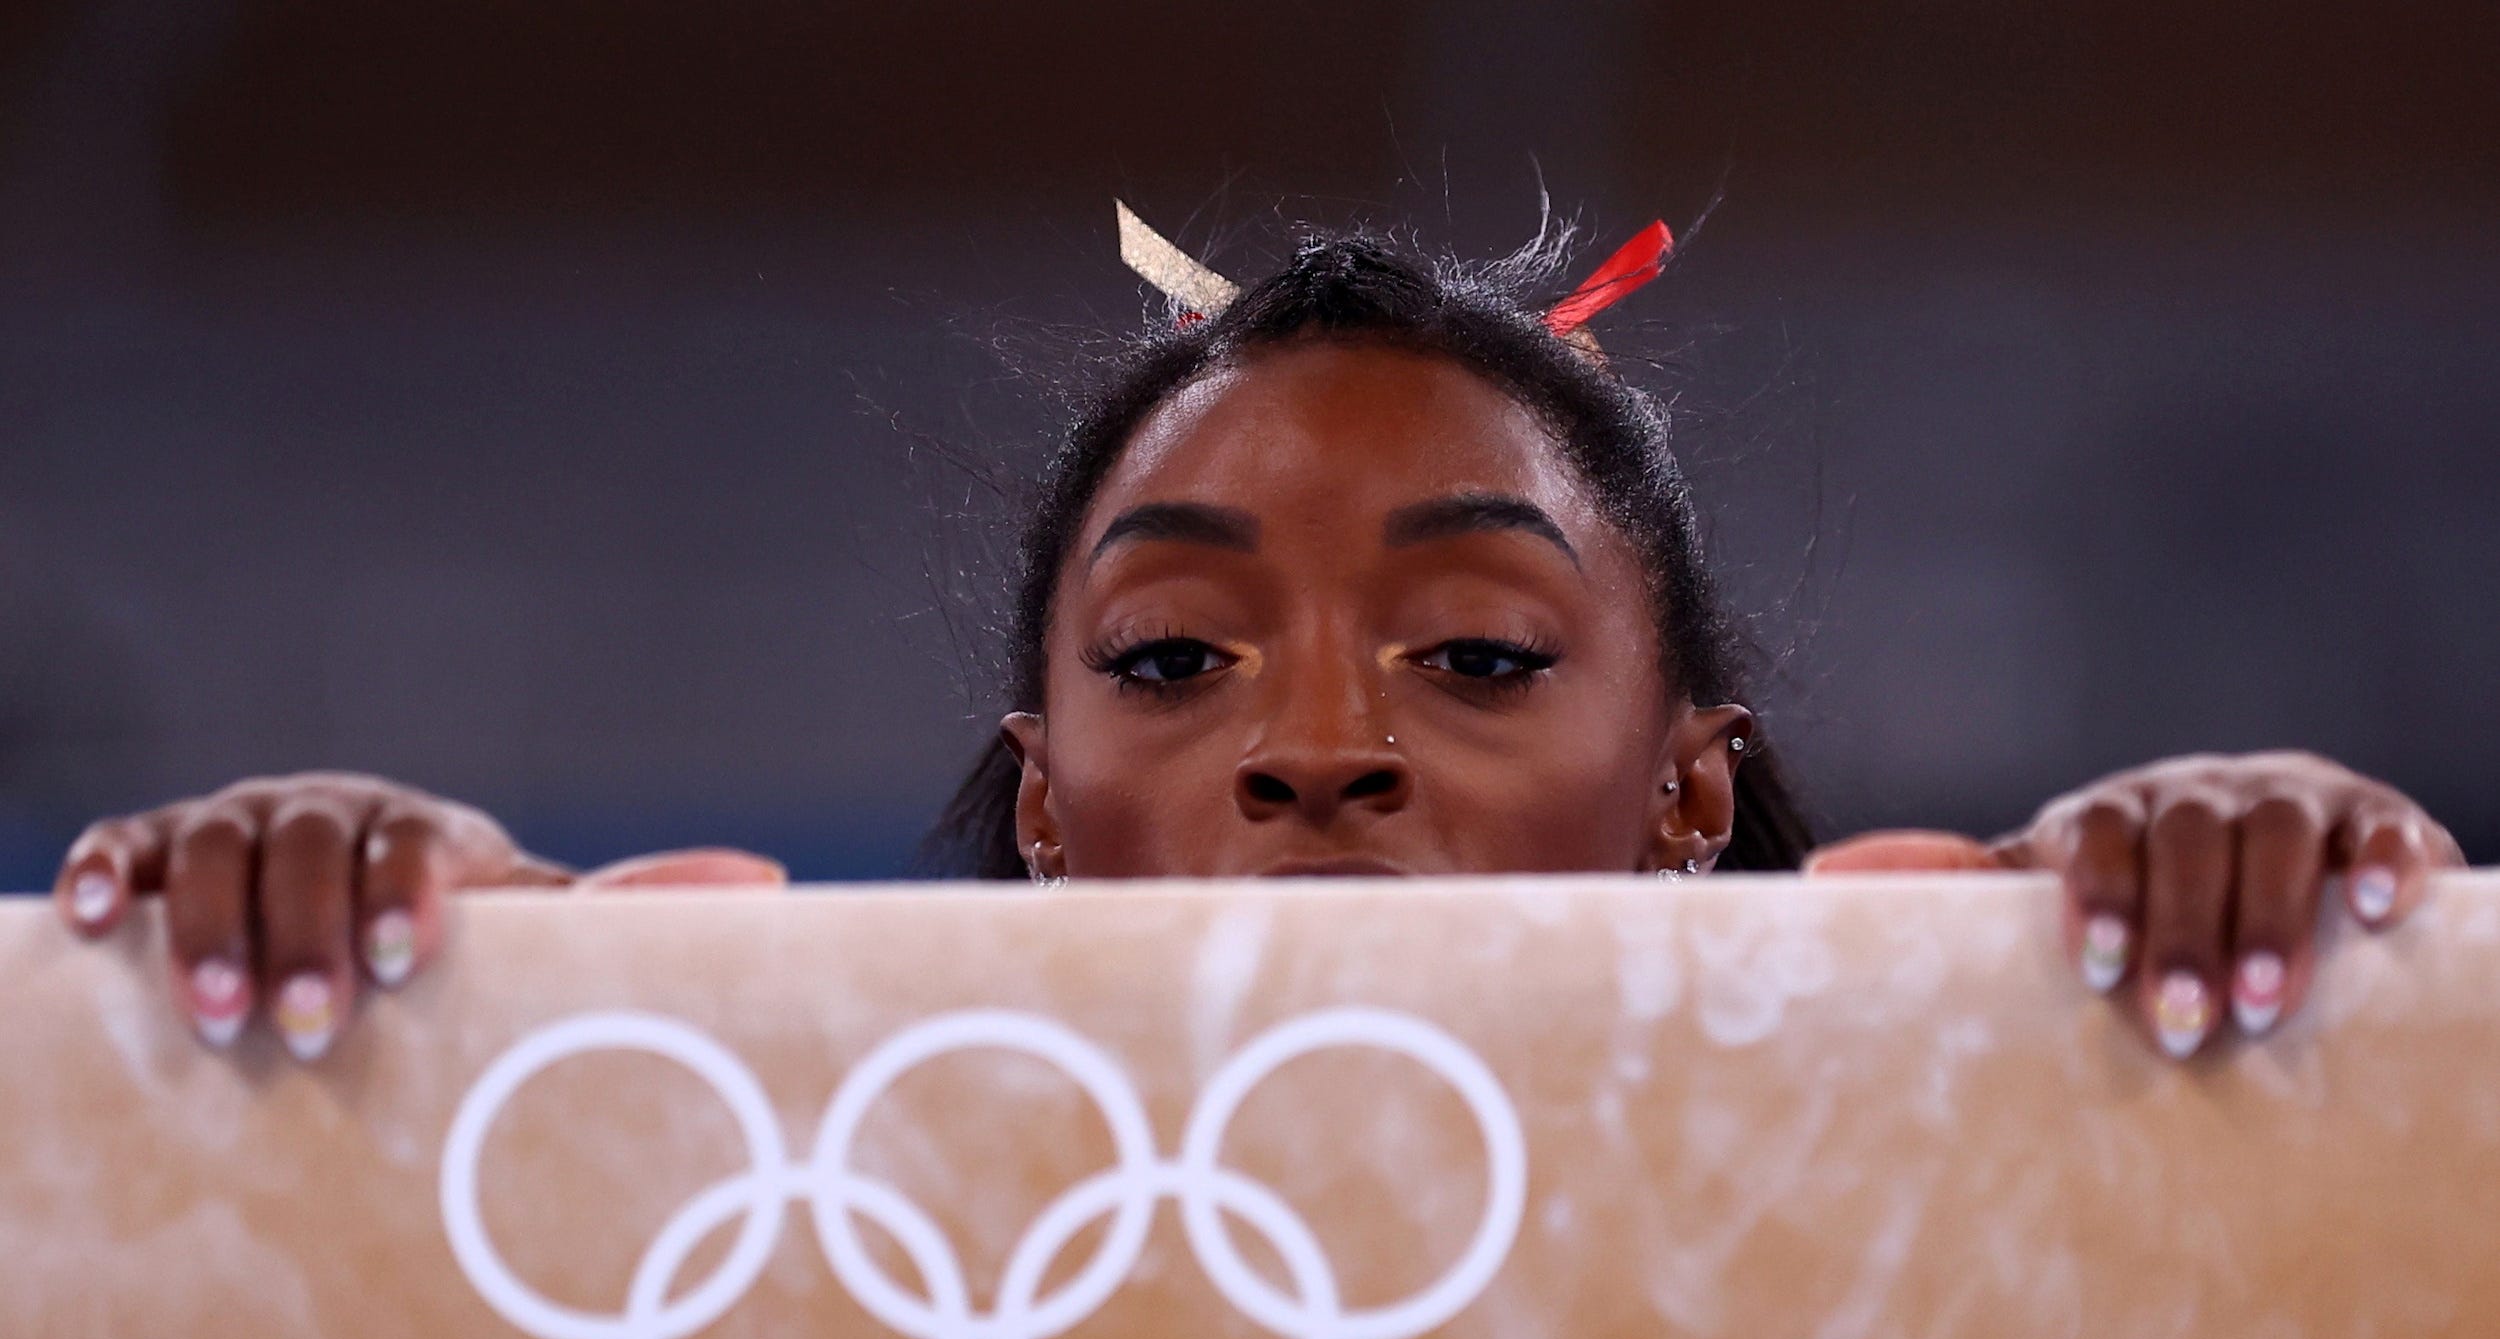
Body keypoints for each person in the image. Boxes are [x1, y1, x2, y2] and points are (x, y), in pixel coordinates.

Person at [51, 222, 2463, 1066]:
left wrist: (2268, 967)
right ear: (1039, 808)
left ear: (1692, 794)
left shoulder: (1972, 1194)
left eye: (1481, 660)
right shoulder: (827, 1227)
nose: (1320, 750)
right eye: (1178, 659)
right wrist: (420, 1006)